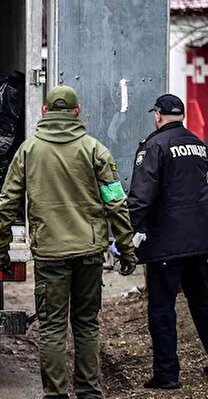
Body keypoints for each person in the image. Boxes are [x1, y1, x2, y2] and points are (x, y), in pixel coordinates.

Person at [0, 85, 136, 399]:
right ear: (77, 111)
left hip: (50, 254)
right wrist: (126, 248)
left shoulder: (28, 151)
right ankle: (88, 391)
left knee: (52, 326)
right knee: (86, 323)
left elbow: (6, 204)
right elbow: (116, 202)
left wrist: (1, 250)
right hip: (89, 252)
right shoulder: (95, 150)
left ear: (44, 112)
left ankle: (55, 394)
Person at [128, 94, 208, 390]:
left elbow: (141, 197)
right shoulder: (199, 145)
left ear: (158, 115)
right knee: (202, 304)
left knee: (162, 308)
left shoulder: (155, 146)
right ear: (182, 116)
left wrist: (125, 236)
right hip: (198, 242)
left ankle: (167, 374)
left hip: (166, 244)